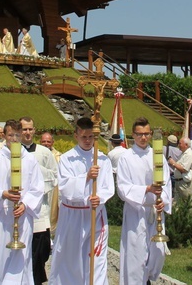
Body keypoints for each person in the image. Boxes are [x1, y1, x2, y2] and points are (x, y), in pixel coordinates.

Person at [0, 119, 44, 285]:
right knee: (1, 255)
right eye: (10, 135)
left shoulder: (29, 160)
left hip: (23, 215)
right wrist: (3, 193)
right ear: (4, 136)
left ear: (21, 136)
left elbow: (37, 188)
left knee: (22, 257)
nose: (14, 139)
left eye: (17, 135)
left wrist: (25, 204)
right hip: (3, 214)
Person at [49, 118, 114, 284]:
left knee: (96, 260)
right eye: (84, 137)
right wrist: (85, 177)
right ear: (76, 136)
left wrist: (99, 198)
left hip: (95, 213)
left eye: (91, 137)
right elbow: (64, 187)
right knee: (70, 259)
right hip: (73, 215)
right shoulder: (67, 158)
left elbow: (108, 186)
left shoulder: (102, 159)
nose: (88, 141)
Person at [117, 117, 172, 285]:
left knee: (158, 250)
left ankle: (149, 278)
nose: (143, 138)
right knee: (136, 252)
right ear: (133, 135)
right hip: (136, 211)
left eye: (146, 134)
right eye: (139, 134)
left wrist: (164, 200)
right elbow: (122, 186)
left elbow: (167, 181)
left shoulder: (157, 156)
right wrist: (146, 189)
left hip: (155, 210)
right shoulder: (126, 157)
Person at [19, 117, 58, 284]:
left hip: (40, 209)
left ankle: (37, 278)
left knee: (40, 250)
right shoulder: (14, 152)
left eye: (30, 129)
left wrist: (35, 169)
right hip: (20, 208)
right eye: (24, 129)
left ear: (34, 131)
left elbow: (55, 176)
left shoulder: (44, 152)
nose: (27, 133)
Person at [39, 132, 62, 236]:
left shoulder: (59, 156)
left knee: (52, 212)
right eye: (43, 141)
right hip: (40, 188)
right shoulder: (36, 154)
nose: (46, 143)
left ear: (52, 142)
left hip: (54, 189)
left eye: (48, 141)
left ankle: (52, 235)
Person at [169, 137, 192, 204]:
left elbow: (184, 169)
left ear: (186, 145)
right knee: (177, 204)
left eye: (180, 143)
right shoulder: (183, 154)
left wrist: (173, 163)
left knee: (189, 203)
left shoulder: (189, 154)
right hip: (180, 182)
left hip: (186, 184)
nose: (178, 145)